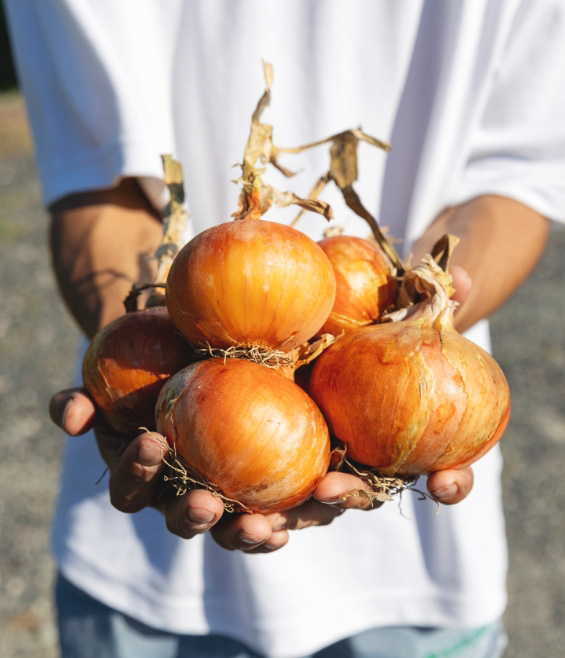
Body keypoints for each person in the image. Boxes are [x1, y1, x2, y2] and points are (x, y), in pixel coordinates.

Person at [6, 1, 564, 657]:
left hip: (415, 585)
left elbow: (515, 180)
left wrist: (426, 303)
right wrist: (132, 355)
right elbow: (95, 181)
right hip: (142, 578)